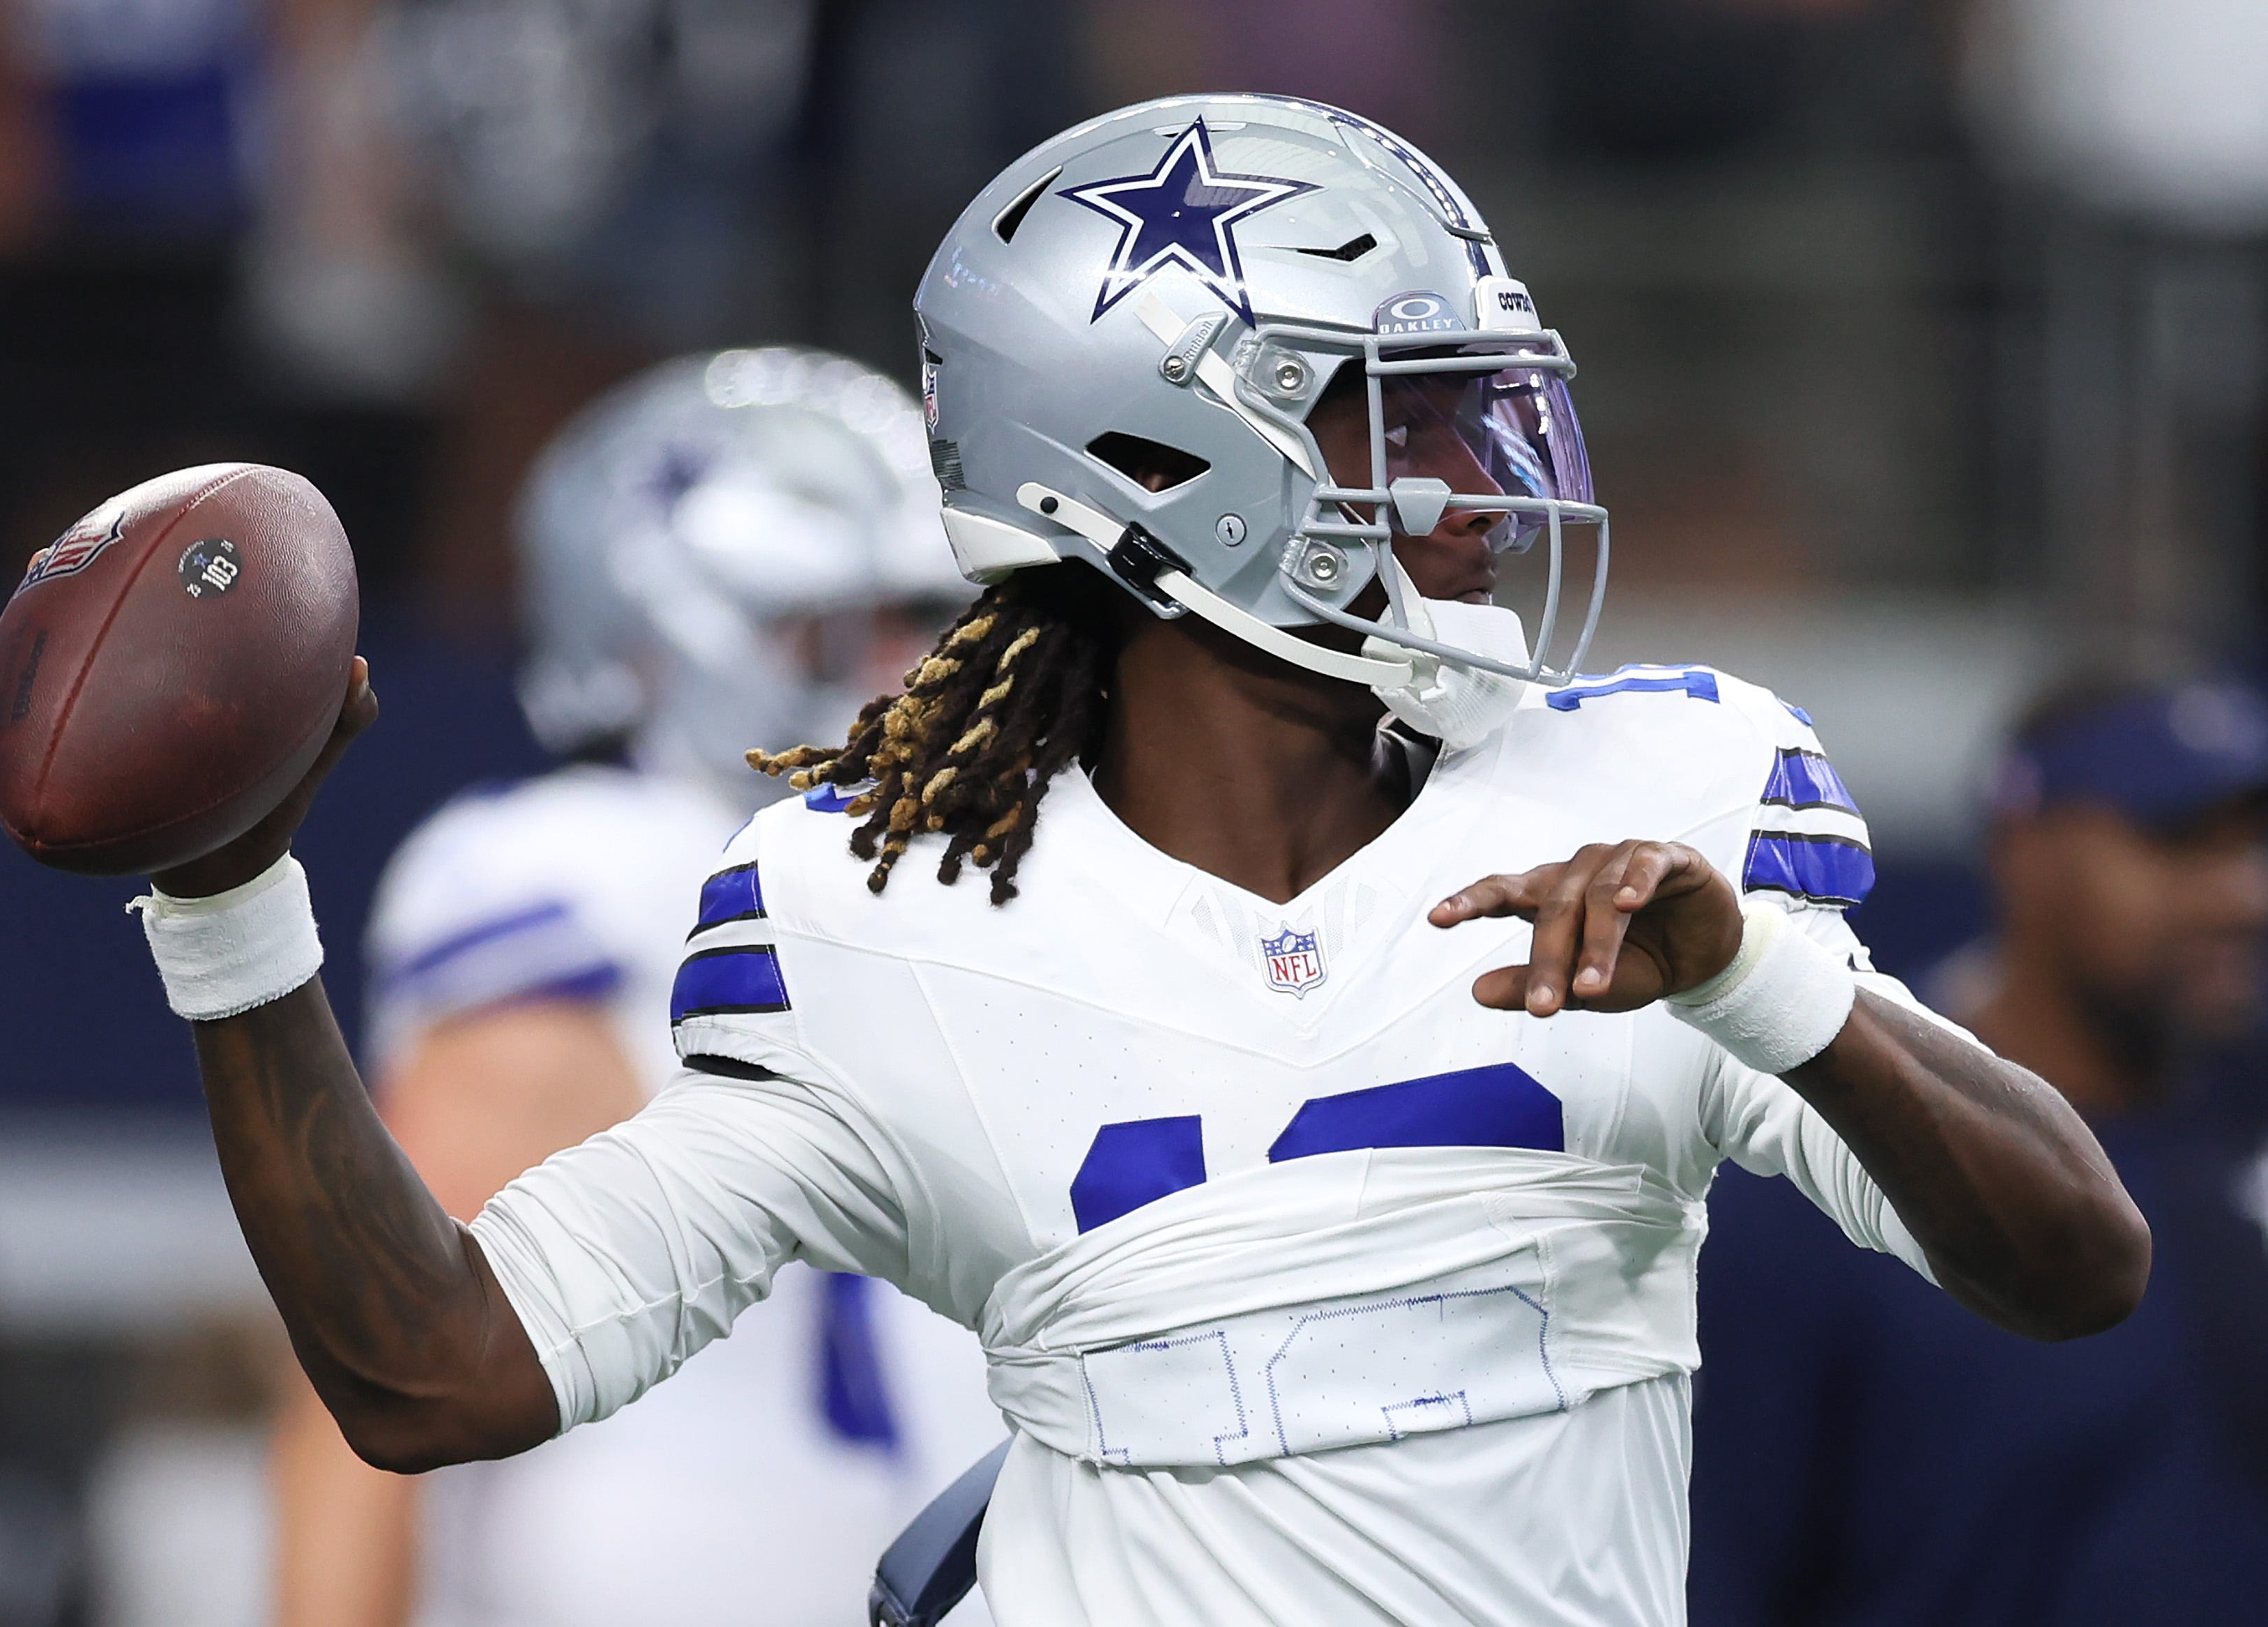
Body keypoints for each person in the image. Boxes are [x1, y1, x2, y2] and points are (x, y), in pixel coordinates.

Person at [106, 95, 2148, 1626]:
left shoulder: (1656, 796)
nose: (1479, 491)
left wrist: (1765, 986)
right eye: (1396, 422)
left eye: (1482, 417)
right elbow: (439, 1370)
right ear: (1151, 473)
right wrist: (228, 913)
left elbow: (2074, 1261)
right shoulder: (873, 912)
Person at [269, 347, 1006, 1627]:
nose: (921, 665)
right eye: (854, 620)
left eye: (934, 619)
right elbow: (368, 1362)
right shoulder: (594, 865)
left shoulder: (974, 889)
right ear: (671, 637)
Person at [1690, 674, 2268, 1626]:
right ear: (2023, 848)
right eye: (2176, 842)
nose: (2240, 895)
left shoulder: (2240, 1119)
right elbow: (1723, 1565)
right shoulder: (1830, 1154)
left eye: (2248, 846)